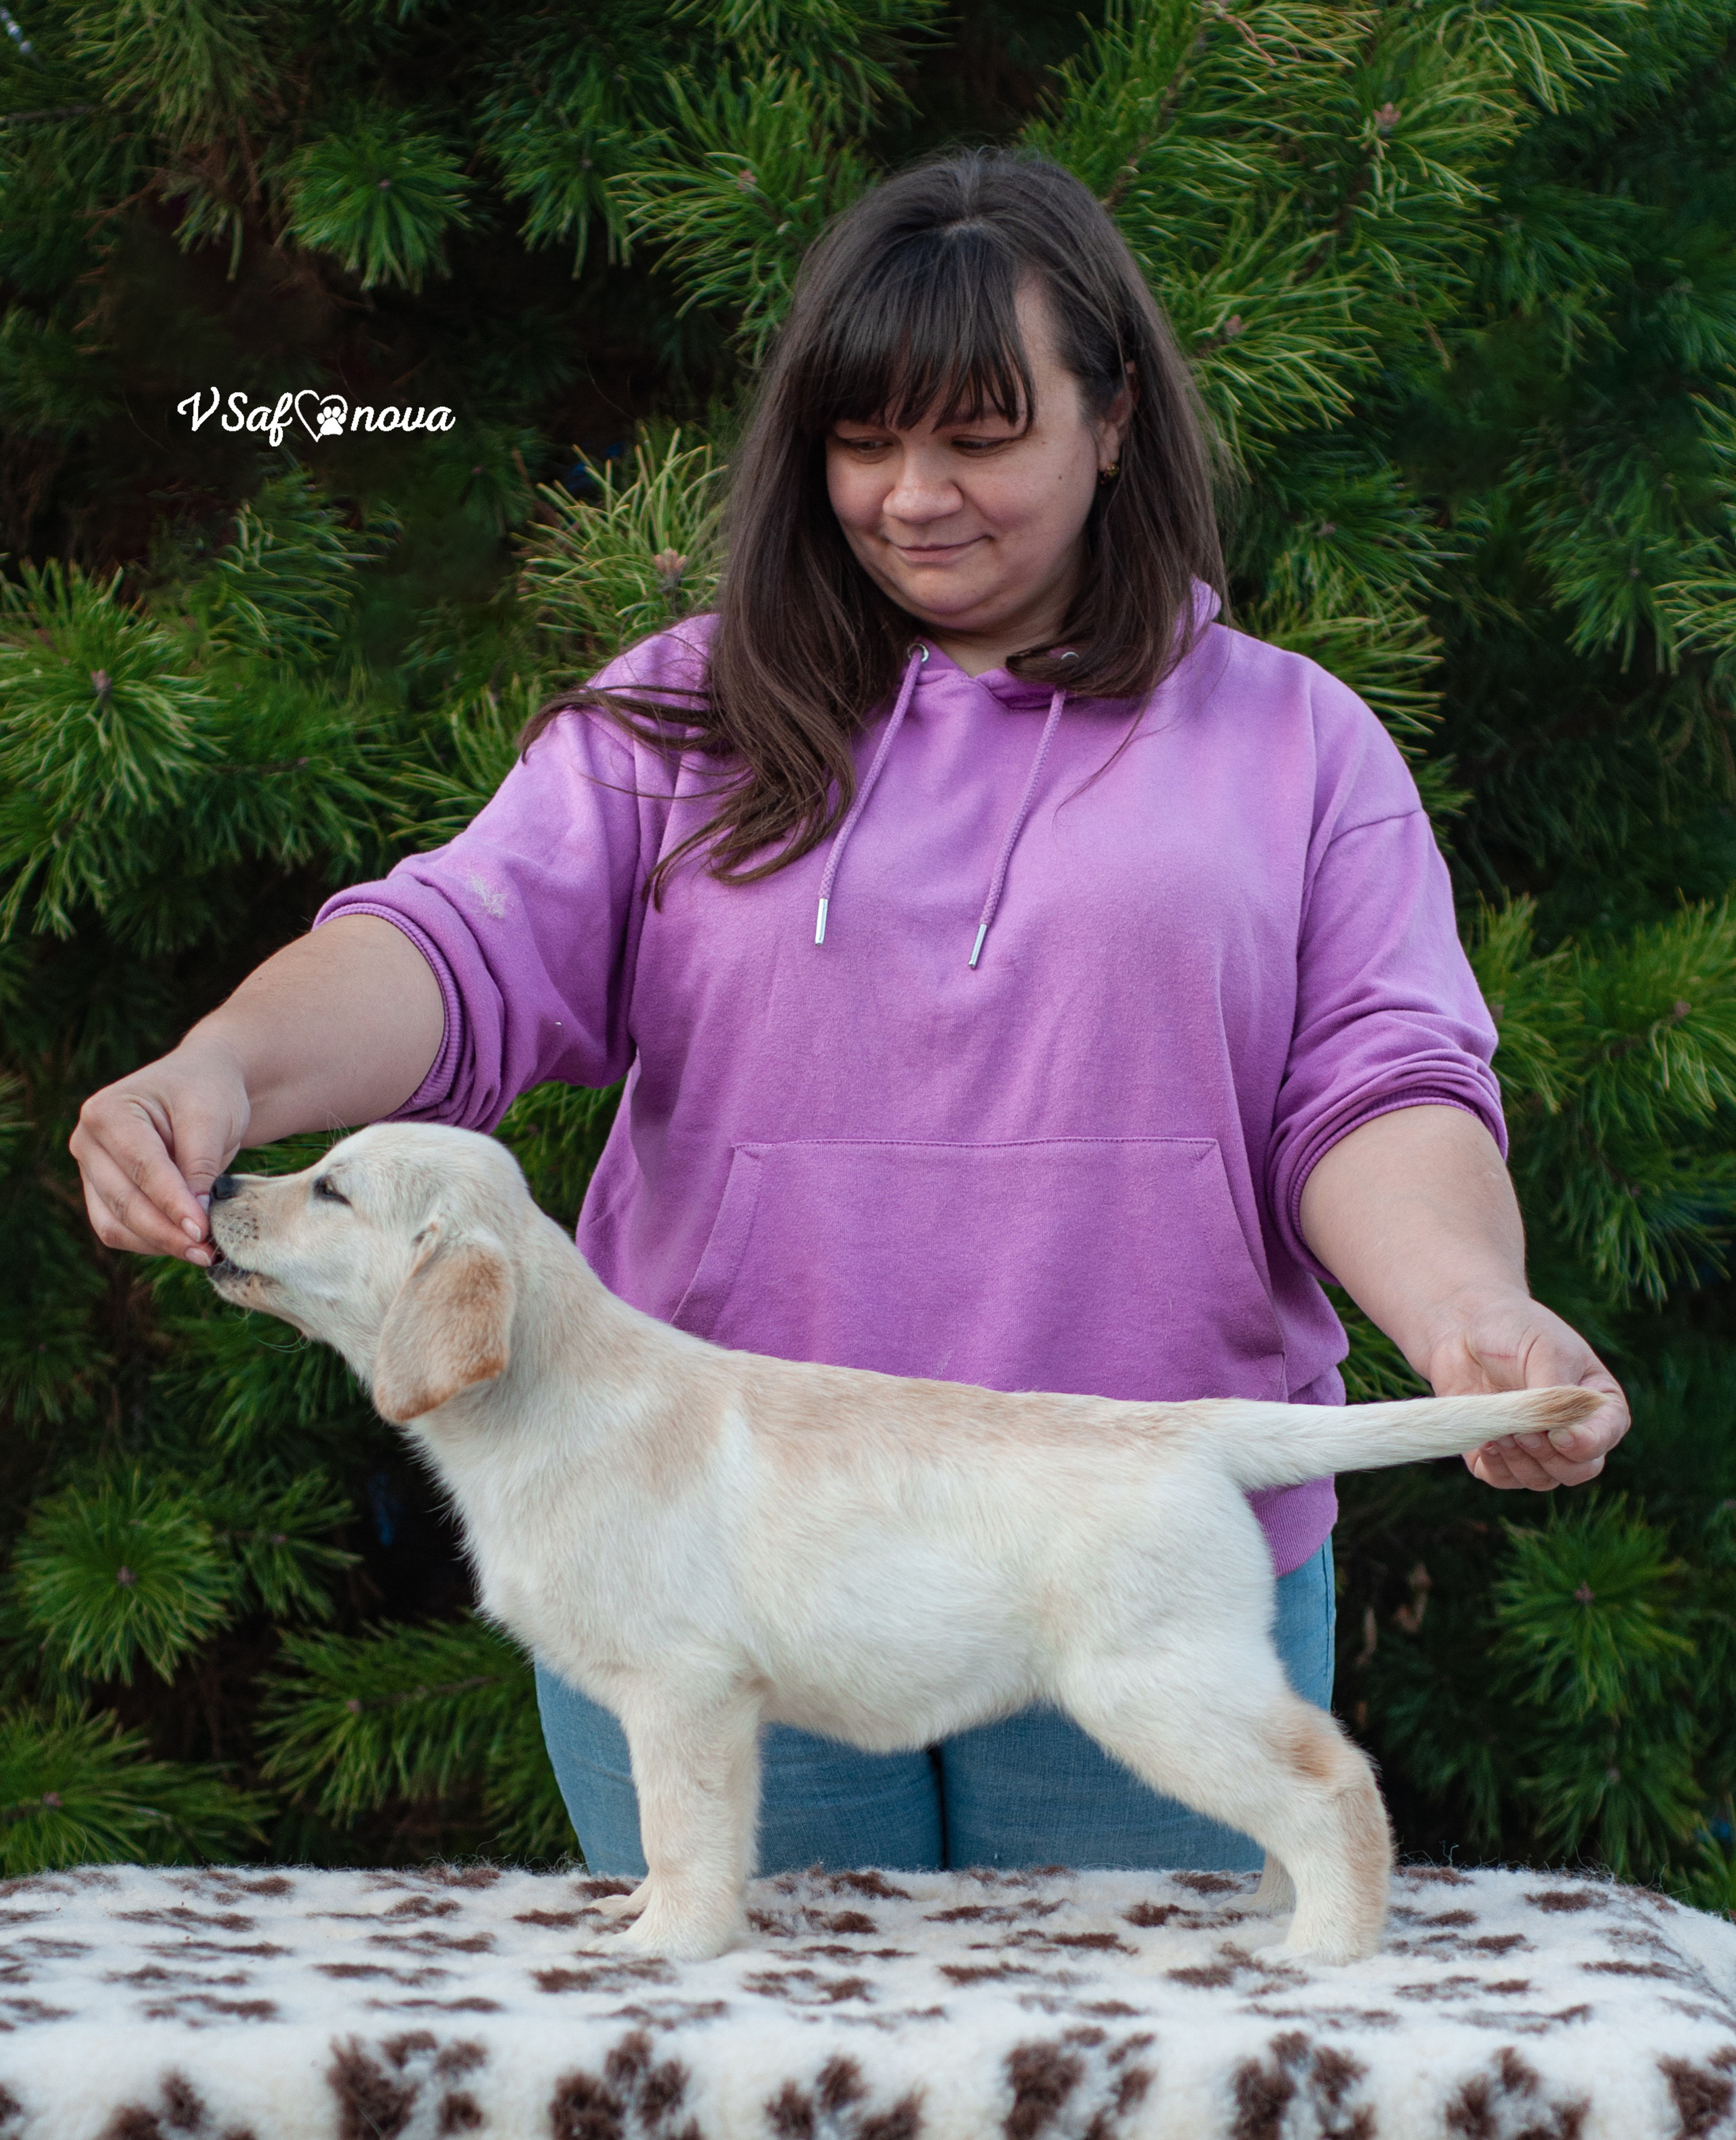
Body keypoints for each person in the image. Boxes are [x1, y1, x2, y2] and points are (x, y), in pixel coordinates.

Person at [71, 149, 1628, 1879]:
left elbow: (1374, 1085)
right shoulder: (676, 714)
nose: (911, 497)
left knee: (1124, 2109)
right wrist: (221, 1065)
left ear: (1111, 421)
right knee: (759, 2097)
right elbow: (454, 952)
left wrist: (1468, 1308)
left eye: (979, 437)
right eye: (863, 441)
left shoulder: (1293, 742)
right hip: (711, 1551)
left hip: (1123, 1544)